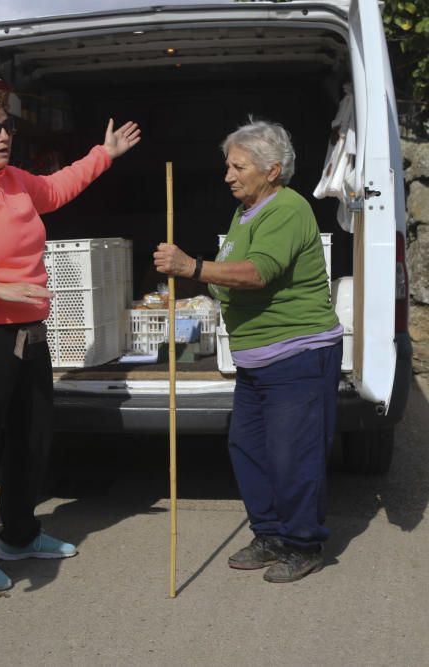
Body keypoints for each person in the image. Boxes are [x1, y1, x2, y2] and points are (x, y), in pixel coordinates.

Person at [0, 85, 141, 591]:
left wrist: (104, 154)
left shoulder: (14, 181)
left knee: (32, 435)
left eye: (7, 127)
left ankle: (18, 533)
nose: (4, 136)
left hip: (27, 329)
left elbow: (57, 189)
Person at [154, 118, 343, 583]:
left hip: (297, 355)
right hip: (257, 360)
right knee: (248, 447)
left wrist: (192, 266)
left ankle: (303, 542)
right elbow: (231, 276)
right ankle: (271, 533)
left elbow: (258, 273)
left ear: (272, 170)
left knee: (292, 454)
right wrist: (197, 292)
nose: (228, 176)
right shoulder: (245, 214)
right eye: (228, 165)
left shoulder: (288, 209)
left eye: (238, 166)